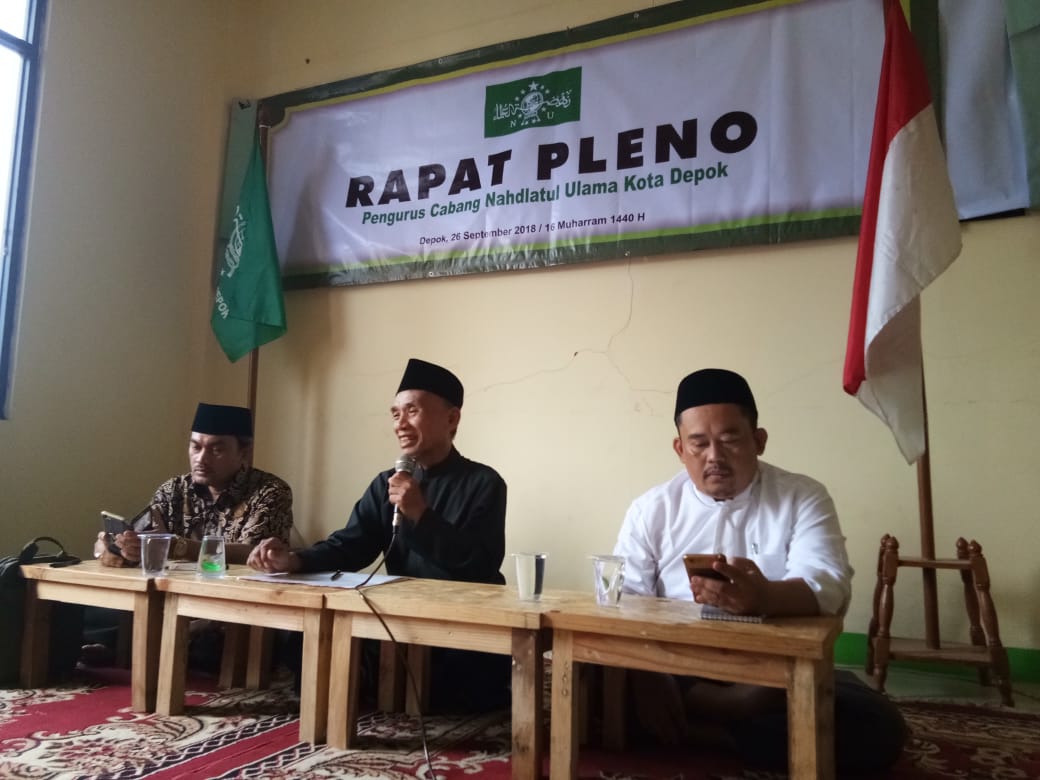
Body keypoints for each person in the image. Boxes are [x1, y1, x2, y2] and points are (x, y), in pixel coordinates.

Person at [613, 368, 906, 772]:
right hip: (674, 667)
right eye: (699, 444)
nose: (714, 457)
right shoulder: (651, 510)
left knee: (877, 727)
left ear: (759, 440)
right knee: (584, 684)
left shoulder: (802, 497)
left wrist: (765, 597)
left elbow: (827, 583)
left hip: (772, 674)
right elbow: (625, 598)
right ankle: (730, 719)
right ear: (680, 449)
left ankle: (706, 728)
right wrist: (646, 675)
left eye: (730, 440)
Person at [248, 358, 509, 710]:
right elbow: (350, 545)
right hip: (401, 620)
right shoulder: (387, 483)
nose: (400, 424)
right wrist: (294, 559)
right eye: (395, 414)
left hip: (459, 626)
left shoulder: (484, 483)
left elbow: (479, 566)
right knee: (303, 638)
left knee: (461, 683)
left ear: (452, 419)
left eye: (412, 411)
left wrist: (421, 515)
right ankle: (378, 682)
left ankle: (384, 683)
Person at [85, 402, 293, 667]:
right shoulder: (173, 489)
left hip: (233, 607)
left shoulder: (270, 491)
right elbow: (143, 534)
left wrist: (177, 546)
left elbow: (254, 553)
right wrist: (115, 547)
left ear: (244, 453)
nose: (201, 459)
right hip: (172, 600)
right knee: (86, 609)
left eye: (216, 450)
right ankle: (134, 642)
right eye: (195, 447)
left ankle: (125, 646)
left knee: (222, 637)